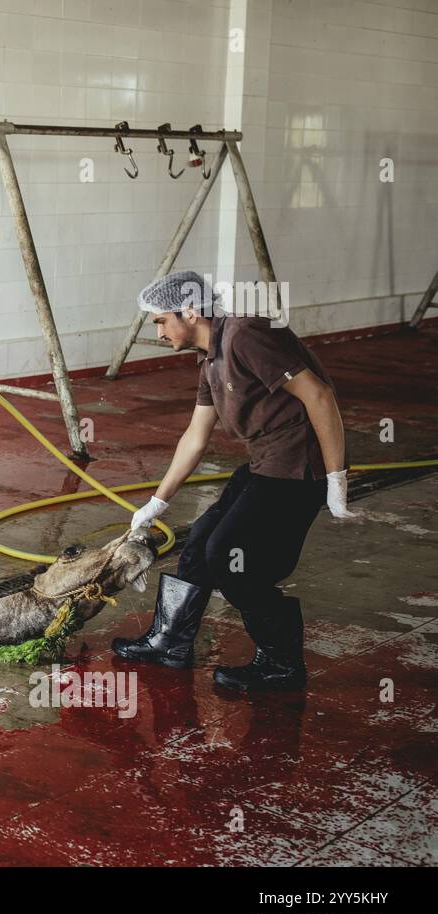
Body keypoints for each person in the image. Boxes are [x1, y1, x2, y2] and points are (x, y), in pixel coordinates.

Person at [114, 270, 356, 691]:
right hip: (265, 464)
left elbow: (319, 395)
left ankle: (281, 664)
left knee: (229, 558)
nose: (157, 331)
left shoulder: (246, 334)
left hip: (297, 469)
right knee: (198, 547)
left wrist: (336, 477)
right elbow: (195, 436)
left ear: (189, 311)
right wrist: (157, 503)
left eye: (159, 320)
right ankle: (169, 643)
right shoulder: (210, 357)